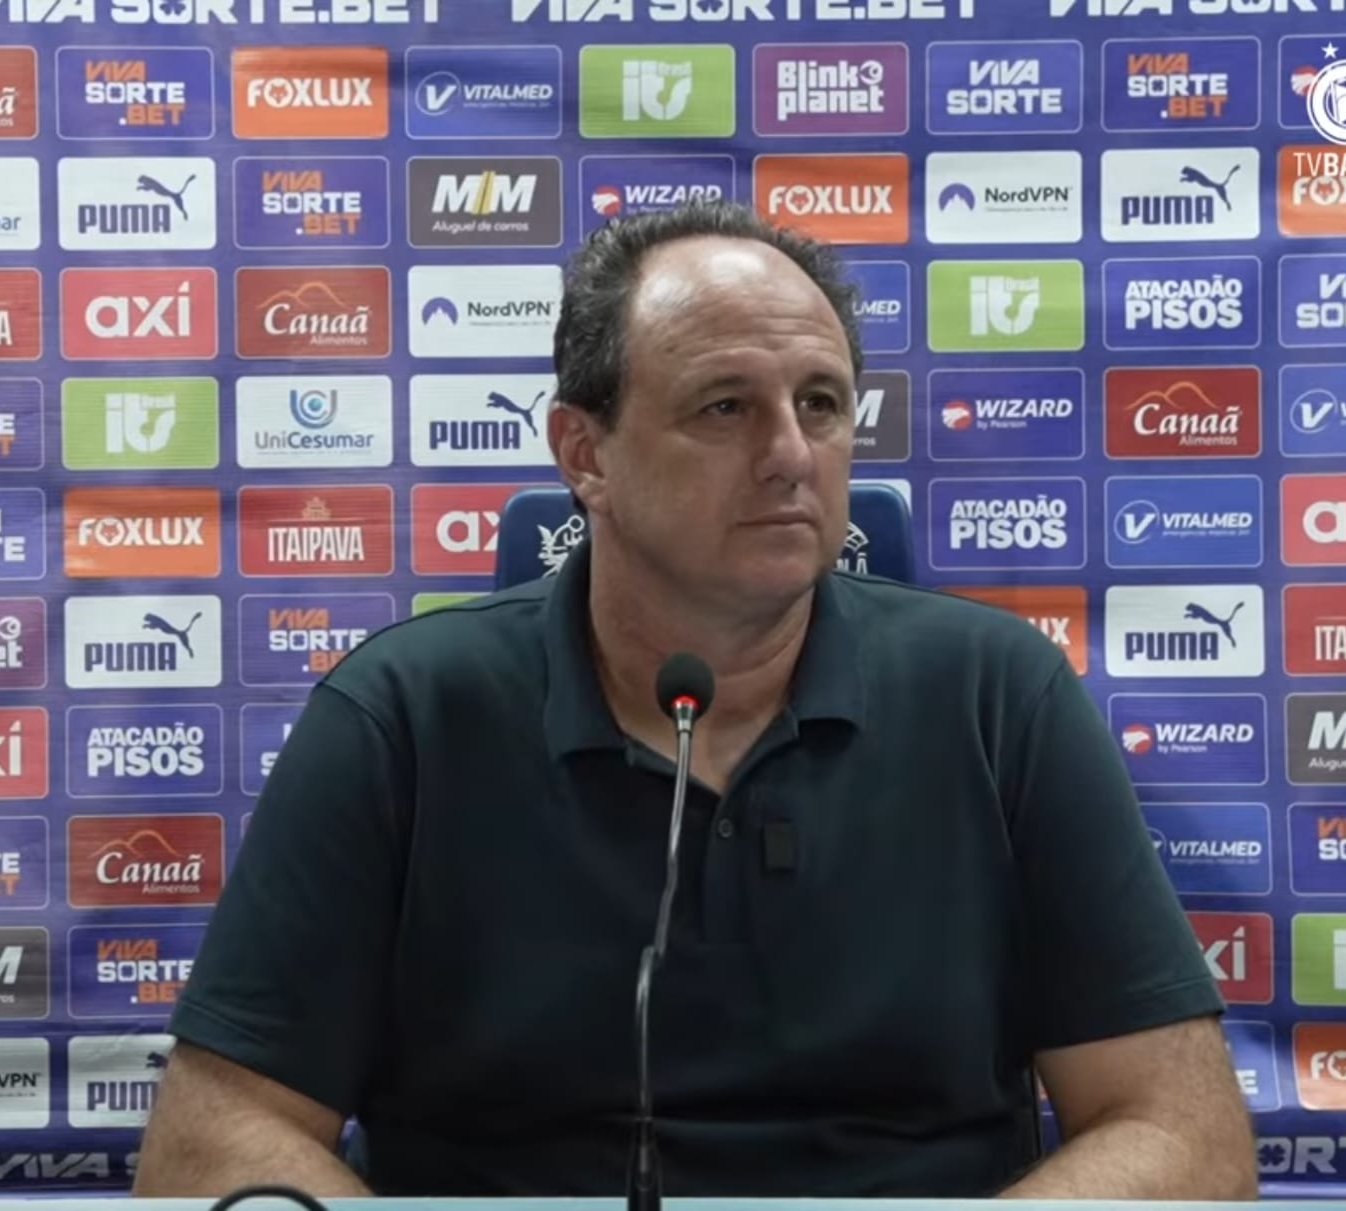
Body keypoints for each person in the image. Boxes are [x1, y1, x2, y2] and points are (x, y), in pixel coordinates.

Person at [134, 200, 1258, 1201]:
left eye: (821, 403)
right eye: (724, 407)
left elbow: (1180, 1134)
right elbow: (215, 1141)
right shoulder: (402, 717)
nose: (790, 454)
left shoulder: (999, 695)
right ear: (585, 452)